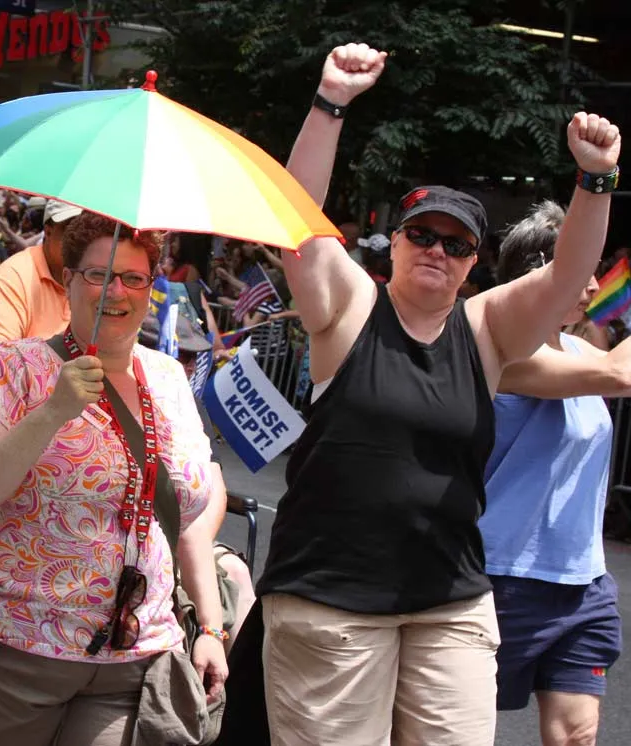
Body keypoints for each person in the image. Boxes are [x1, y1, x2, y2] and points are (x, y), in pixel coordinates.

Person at [217, 43, 620, 746]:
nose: (437, 250)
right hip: (329, 599)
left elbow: (568, 275)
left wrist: (596, 179)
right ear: (395, 244)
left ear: (473, 263)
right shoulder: (350, 308)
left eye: (456, 244)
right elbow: (298, 225)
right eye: (422, 235)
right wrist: (330, 102)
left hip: (449, 601)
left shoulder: (487, 328)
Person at [0, 212, 228, 745]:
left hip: (132, 656)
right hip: (4, 652)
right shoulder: (13, 368)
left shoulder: (169, 378)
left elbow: (187, 518)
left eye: (133, 277)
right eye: (98, 275)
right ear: (68, 280)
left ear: (150, 288)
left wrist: (209, 626)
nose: (117, 291)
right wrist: (51, 413)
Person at [482, 201, 624, 746]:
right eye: (581, 269)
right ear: (539, 273)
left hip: (584, 584)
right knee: (453, 730)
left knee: (576, 735)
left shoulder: (581, 348)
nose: (593, 285)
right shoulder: (502, 355)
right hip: (502, 578)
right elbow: (618, 375)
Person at [0, 199, 83, 355]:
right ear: (48, 232)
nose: (82, 241)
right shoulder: (16, 273)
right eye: (72, 231)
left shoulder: (104, 278)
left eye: (90, 233)